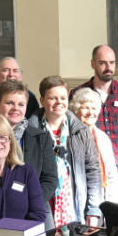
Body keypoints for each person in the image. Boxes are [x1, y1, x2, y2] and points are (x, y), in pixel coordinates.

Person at [30, 76, 103, 227]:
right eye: (52, 98)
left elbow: (93, 170)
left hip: (74, 204)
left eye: (63, 98)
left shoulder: (81, 131)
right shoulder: (31, 131)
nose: (59, 102)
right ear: (42, 100)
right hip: (43, 204)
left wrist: (93, 210)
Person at [69, 45, 118, 193]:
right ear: (92, 64)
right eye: (102, 63)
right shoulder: (78, 93)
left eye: (112, 62)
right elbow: (71, 132)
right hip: (88, 167)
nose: (108, 67)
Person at [0, 80, 58, 224]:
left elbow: (50, 179)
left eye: (21, 104)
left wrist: (29, 202)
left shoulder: (41, 138)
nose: (15, 108)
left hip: (35, 207)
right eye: (9, 103)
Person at [71, 87, 118, 206]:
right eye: (85, 108)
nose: (91, 112)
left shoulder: (102, 137)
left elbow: (112, 174)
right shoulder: (70, 136)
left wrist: (113, 205)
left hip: (103, 197)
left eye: (94, 108)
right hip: (78, 200)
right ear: (76, 109)